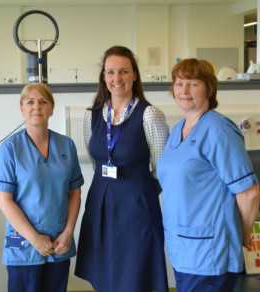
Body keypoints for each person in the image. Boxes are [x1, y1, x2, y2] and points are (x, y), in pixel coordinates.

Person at [157, 58, 260, 292]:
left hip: (210, 251)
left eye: (193, 83)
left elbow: (249, 192)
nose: (184, 90)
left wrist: (242, 234)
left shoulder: (219, 130)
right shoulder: (177, 130)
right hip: (183, 245)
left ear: (209, 88)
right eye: (179, 83)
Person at [75, 46, 170, 292]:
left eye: (124, 71)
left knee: (134, 277)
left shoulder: (149, 115)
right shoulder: (92, 116)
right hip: (100, 206)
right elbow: (96, 161)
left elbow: (163, 171)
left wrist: (137, 193)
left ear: (135, 75)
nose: (117, 78)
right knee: (105, 275)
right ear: (104, 77)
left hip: (136, 209)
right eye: (111, 72)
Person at [0, 82, 84, 292]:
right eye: (30, 102)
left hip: (59, 243)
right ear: (22, 109)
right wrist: (35, 239)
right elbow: (4, 201)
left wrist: (69, 232)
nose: (37, 107)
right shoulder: (10, 148)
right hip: (24, 246)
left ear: (52, 108)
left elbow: (75, 193)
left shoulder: (66, 145)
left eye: (43, 101)